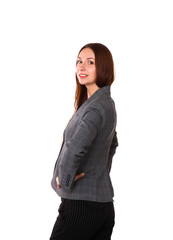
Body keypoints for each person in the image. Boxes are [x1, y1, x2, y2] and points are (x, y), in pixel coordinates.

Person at [50, 43, 118, 240]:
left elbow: (74, 149)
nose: (81, 67)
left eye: (90, 62)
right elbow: (112, 144)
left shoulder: (95, 108)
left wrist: (64, 181)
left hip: (81, 207)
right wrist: (98, 173)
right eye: (79, 61)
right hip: (102, 206)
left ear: (104, 67)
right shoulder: (105, 104)